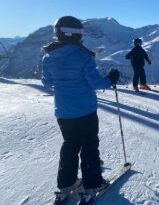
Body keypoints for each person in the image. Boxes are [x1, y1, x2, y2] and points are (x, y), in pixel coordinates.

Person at [41, 16, 120, 202]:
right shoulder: (83, 55)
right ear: (75, 35)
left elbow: (47, 82)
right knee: (89, 146)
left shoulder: (48, 56)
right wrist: (111, 79)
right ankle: (93, 184)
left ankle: (66, 183)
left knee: (69, 145)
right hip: (85, 111)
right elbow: (94, 83)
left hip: (63, 112)